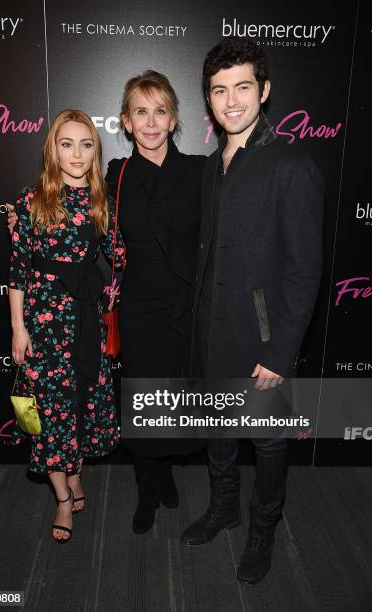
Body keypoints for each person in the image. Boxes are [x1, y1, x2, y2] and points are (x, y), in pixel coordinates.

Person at [181, 38, 324, 585]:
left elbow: (303, 270)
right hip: (212, 332)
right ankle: (224, 507)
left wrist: (281, 350)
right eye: (219, 90)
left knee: (266, 441)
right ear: (209, 100)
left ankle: (263, 527)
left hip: (263, 342)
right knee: (219, 428)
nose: (231, 100)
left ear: (264, 91)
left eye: (243, 87)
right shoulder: (211, 167)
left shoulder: (292, 166)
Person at [8, 109, 121, 543]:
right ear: (52, 149)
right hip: (44, 325)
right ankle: (61, 497)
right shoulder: (30, 201)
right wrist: (19, 328)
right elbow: (18, 271)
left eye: (86, 144)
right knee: (51, 417)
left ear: (96, 151)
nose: (76, 153)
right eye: (66, 143)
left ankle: (75, 474)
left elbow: (119, 257)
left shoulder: (102, 201)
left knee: (81, 409)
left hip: (86, 323)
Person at [105, 70, 206, 534]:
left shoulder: (200, 171)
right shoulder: (116, 174)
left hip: (186, 306)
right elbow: (76, 216)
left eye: (159, 111)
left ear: (173, 119)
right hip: (140, 306)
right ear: (126, 122)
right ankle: (148, 485)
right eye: (140, 112)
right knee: (143, 402)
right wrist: (24, 215)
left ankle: (166, 467)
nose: (150, 122)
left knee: (177, 402)